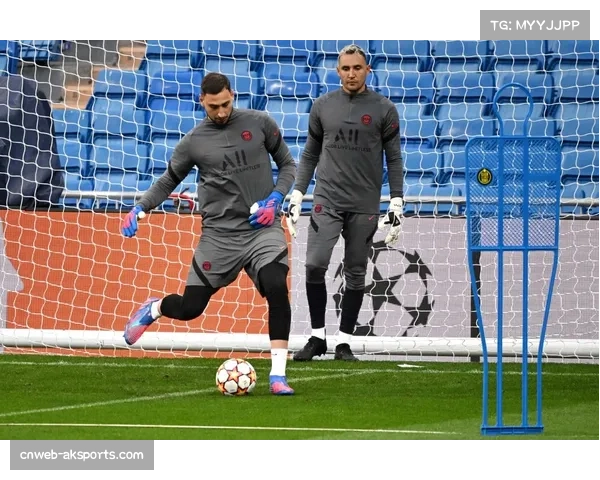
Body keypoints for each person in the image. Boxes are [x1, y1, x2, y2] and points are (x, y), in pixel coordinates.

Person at [121, 72, 297, 395]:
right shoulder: (194, 142)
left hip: (262, 228)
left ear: (233, 95)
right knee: (190, 308)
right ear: (201, 100)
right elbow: (168, 180)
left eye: (225, 104)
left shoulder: (260, 123)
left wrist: (275, 198)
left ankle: (278, 376)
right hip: (219, 236)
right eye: (213, 106)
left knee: (276, 286)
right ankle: (155, 308)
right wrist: (140, 207)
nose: (221, 112)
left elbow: (288, 165)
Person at [286, 44, 404, 362]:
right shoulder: (322, 106)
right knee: (314, 265)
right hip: (326, 200)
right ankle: (317, 337)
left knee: (355, 272)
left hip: (364, 204)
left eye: (357, 68)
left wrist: (396, 201)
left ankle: (344, 343)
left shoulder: (384, 109)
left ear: (368, 70)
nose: (351, 73)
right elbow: (310, 153)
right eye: (346, 68)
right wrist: (297, 193)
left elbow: (394, 158)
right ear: (338, 71)